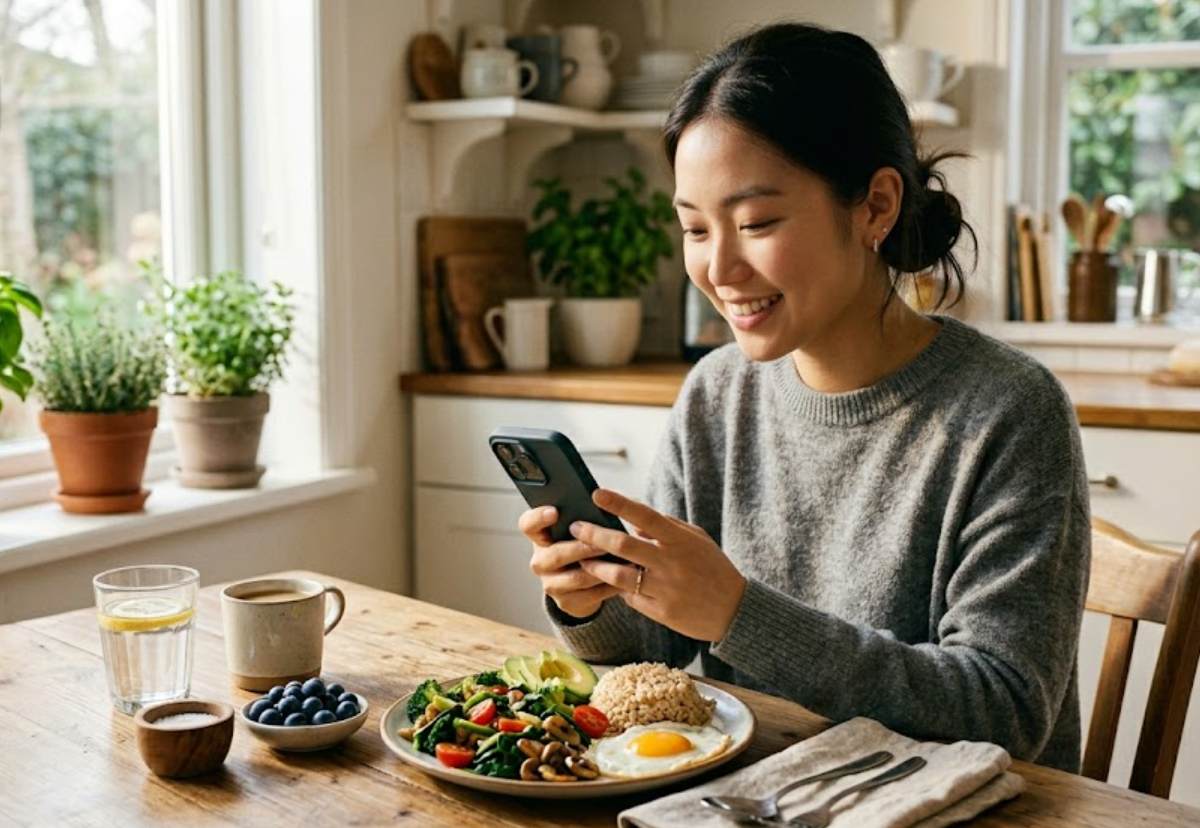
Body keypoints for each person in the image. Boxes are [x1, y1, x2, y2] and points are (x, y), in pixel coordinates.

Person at [518, 21, 1090, 772]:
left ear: (876, 207)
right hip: (757, 798)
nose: (719, 267)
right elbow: (659, 647)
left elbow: (1005, 710)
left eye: (757, 222)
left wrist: (739, 613)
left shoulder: (1010, 411)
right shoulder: (717, 394)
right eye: (694, 228)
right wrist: (591, 601)